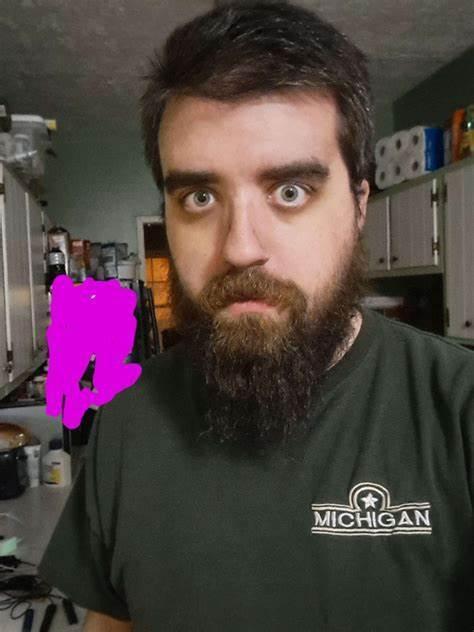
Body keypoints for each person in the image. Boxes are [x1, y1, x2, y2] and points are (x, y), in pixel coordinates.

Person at [39, 2, 474, 630]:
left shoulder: (457, 411)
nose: (241, 247)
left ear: (359, 206)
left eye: (290, 191)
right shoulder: (128, 421)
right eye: (199, 196)